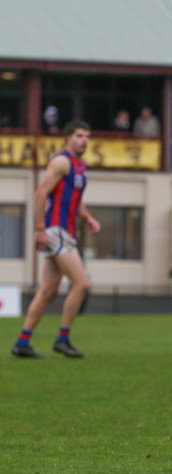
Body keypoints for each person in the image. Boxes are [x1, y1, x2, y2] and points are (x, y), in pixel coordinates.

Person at [11, 120, 101, 358]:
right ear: (68, 138)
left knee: (48, 291)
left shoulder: (80, 166)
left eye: (87, 136)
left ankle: (22, 343)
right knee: (82, 284)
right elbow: (41, 193)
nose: (84, 140)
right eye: (79, 135)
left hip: (64, 232)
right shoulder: (61, 162)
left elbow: (75, 198)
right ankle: (62, 339)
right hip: (56, 231)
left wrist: (87, 217)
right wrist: (40, 228)